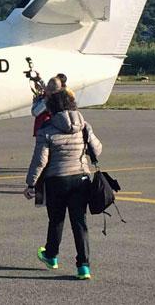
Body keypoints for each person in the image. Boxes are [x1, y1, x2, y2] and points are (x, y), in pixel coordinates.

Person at [23, 82, 102, 280]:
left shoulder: (47, 128)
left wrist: (31, 183)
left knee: (56, 220)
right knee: (79, 222)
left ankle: (51, 255)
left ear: (52, 107)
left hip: (56, 179)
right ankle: (83, 266)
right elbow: (98, 149)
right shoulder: (84, 126)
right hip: (81, 178)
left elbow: (40, 160)